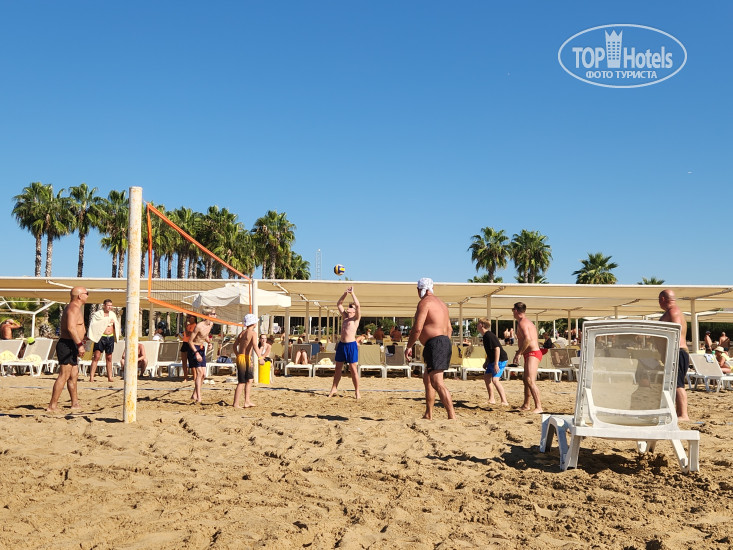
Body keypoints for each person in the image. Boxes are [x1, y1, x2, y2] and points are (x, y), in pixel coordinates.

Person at [405, 278, 456, 420]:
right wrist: (444, 344)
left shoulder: (425, 302)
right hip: (441, 342)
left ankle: (452, 416)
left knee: (437, 382)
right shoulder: (442, 304)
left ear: (419, 290)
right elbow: (449, 329)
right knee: (427, 379)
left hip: (436, 344)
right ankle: (428, 413)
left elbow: (417, 328)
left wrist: (409, 346)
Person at [47, 287, 88, 412]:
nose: (88, 296)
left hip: (72, 344)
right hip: (67, 344)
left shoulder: (75, 308)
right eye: (86, 293)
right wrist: (79, 344)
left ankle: (74, 403)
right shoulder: (73, 308)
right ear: (80, 296)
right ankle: (52, 406)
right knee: (64, 375)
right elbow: (71, 328)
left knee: (73, 375)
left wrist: (81, 339)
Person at [659, 289, 690, 421]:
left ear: (662, 299)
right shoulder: (674, 311)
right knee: (675, 383)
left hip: (677, 351)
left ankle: (683, 414)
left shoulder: (673, 311)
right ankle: (679, 413)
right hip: (677, 352)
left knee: (678, 384)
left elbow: (675, 330)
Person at [328, 286, 361, 399]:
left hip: (351, 345)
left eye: (351, 307)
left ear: (354, 311)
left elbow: (358, 305)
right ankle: (334, 388)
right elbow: (339, 304)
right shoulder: (345, 317)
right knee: (337, 368)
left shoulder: (356, 319)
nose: (348, 308)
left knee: (353, 369)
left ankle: (357, 391)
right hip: (341, 345)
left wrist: (352, 294)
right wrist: (345, 294)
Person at [512, 302, 543, 414]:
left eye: (513, 310)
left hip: (533, 353)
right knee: (526, 380)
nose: (512, 312)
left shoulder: (522, 323)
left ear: (516, 310)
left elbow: (528, 339)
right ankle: (526, 405)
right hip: (530, 353)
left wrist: (519, 353)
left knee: (530, 380)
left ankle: (539, 407)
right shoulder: (525, 322)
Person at [233, 314, 265, 408]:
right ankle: (236, 403)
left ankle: (247, 401)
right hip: (245, 358)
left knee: (249, 380)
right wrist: (260, 358)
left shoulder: (242, 333)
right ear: (253, 323)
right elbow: (255, 345)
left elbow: (234, 346)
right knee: (242, 382)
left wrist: (238, 354)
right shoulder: (253, 333)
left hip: (243, 357)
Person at [87, 299, 121, 383]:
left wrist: (111, 322)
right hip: (101, 337)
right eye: (108, 305)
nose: (110, 307)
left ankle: (110, 377)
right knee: (97, 356)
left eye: (111, 305)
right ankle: (91, 377)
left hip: (110, 337)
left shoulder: (112, 314)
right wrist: (107, 320)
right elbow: (94, 324)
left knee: (109, 357)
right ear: (104, 306)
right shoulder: (98, 314)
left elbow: (116, 324)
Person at [478, 318, 509, 406]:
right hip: (492, 360)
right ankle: (491, 399)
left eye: (478, 323)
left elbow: (497, 349)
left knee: (495, 380)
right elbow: (490, 351)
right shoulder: (485, 336)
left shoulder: (489, 335)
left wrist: (496, 364)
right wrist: (486, 361)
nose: (477, 325)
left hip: (500, 359)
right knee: (487, 377)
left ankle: (504, 401)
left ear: (482, 325)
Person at [188, 308, 216, 404]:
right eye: (214, 314)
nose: (215, 315)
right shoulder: (199, 326)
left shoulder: (211, 324)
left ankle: (194, 394)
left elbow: (205, 335)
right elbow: (190, 341)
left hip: (201, 348)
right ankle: (199, 398)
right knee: (199, 373)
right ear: (208, 315)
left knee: (203, 374)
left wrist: (209, 343)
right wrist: (196, 353)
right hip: (194, 348)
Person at [179, 314, 197, 381]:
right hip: (185, 342)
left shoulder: (195, 325)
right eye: (187, 317)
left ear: (194, 318)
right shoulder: (188, 325)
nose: (188, 318)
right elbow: (185, 334)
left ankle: (194, 377)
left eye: (189, 317)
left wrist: (185, 327)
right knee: (184, 361)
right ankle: (185, 377)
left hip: (190, 343)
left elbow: (189, 334)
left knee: (191, 361)